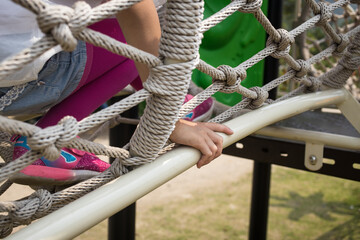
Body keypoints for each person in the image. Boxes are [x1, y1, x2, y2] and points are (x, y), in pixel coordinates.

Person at [1, 0, 233, 185]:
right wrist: (169, 120)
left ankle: (179, 100)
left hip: (16, 74)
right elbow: (135, 12)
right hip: (26, 74)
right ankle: (50, 141)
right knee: (136, 31)